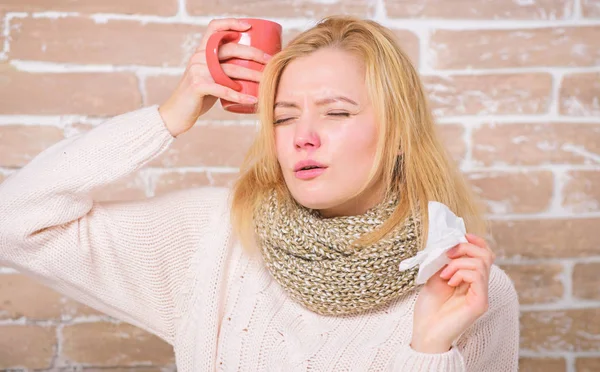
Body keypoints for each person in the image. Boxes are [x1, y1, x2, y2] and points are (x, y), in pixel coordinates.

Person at [0, 15, 519, 371]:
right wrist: (169, 116)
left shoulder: (471, 290)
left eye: (337, 113)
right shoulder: (211, 238)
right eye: (283, 116)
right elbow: (15, 222)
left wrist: (428, 349)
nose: (303, 135)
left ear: (401, 132)